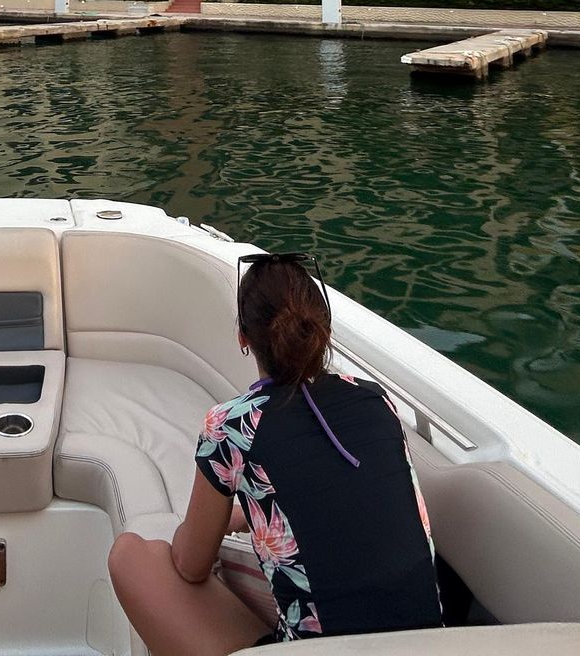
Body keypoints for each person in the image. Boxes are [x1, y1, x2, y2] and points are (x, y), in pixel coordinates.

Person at [107, 253, 441, 652]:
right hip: (426, 644)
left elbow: (190, 566)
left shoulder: (232, 426)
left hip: (315, 650)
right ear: (324, 329)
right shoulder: (375, 400)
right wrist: (248, 516)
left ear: (243, 339)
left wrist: (195, 532)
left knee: (133, 555)